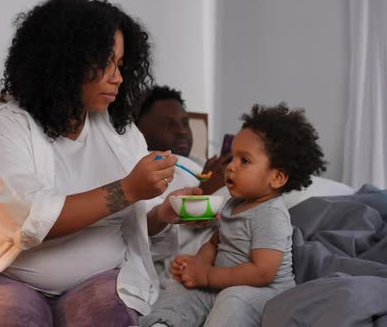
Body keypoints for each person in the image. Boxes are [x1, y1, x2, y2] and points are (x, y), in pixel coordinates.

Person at [0, 0, 201, 326]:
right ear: (65, 62)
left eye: (121, 64)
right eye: (106, 63)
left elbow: (139, 223)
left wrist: (163, 213)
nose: (118, 78)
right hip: (14, 281)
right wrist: (127, 189)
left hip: (100, 279)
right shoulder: (8, 128)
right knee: (3, 318)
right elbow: (29, 221)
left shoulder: (122, 132)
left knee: (110, 317)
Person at [140, 103, 327, 327]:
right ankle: (162, 323)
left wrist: (208, 276)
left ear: (277, 178)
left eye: (244, 161)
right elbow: (215, 243)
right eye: (231, 158)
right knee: (181, 290)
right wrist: (197, 266)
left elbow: (262, 273)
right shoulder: (233, 204)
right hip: (222, 282)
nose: (231, 167)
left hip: (263, 292)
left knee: (233, 300)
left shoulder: (271, 215)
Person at [135, 85, 229, 285]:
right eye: (168, 124)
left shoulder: (196, 160)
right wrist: (207, 189)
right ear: (139, 129)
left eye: (185, 123)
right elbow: (156, 229)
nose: (181, 131)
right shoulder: (145, 166)